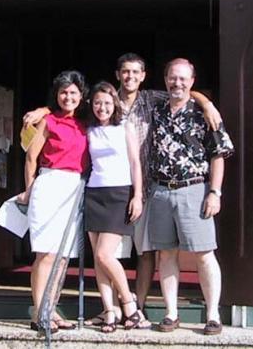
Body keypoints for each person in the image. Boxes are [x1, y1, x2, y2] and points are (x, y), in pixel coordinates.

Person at [23, 53, 222, 327]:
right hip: (94, 190)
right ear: (118, 75)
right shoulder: (103, 101)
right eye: (125, 72)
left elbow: (183, 92)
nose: (129, 77)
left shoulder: (153, 99)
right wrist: (43, 111)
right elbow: (66, 107)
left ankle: (135, 306)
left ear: (143, 76)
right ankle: (109, 310)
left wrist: (207, 103)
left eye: (135, 73)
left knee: (145, 251)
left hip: (145, 187)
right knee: (98, 254)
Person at [148, 58, 234, 335]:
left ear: (192, 81)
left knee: (204, 253)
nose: (178, 83)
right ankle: (171, 313)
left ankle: (212, 315)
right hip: (160, 191)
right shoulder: (155, 109)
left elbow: (218, 155)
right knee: (166, 254)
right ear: (165, 79)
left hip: (194, 188)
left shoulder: (204, 113)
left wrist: (215, 192)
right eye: (173, 77)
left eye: (183, 78)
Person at [18, 70, 89, 333]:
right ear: (56, 95)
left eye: (73, 92)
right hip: (50, 184)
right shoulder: (48, 121)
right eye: (63, 92)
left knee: (62, 257)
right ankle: (39, 311)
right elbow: (31, 158)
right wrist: (28, 190)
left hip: (75, 187)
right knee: (46, 252)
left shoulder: (86, 122)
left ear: (81, 96)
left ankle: (51, 306)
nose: (68, 97)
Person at [84, 81, 144, 332]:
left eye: (107, 103)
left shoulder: (124, 128)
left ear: (115, 104)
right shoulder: (88, 129)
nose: (102, 107)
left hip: (119, 193)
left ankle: (129, 305)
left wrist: (137, 195)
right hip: (93, 193)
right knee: (98, 260)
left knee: (104, 254)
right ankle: (110, 310)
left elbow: (134, 162)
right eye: (97, 103)